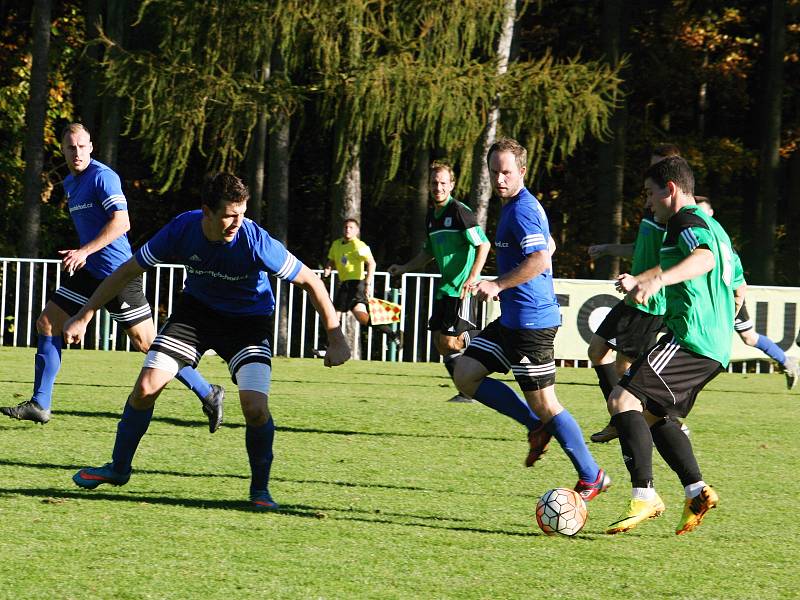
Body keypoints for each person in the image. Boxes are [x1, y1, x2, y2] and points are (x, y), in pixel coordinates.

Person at [64, 173, 351, 510]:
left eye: (242, 213)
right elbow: (128, 271)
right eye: (230, 215)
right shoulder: (182, 229)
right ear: (207, 212)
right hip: (195, 315)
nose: (237, 222)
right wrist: (84, 315)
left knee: (255, 409)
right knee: (146, 388)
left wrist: (336, 337)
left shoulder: (256, 240)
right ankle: (118, 469)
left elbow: (311, 282)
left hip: (248, 322)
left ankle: (260, 492)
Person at [0, 123, 223, 431]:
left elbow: (122, 222)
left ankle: (208, 391)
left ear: (91, 147)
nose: (76, 152)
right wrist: (84, 253)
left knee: (147, 344)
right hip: (90, 270)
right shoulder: (70, 182)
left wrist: (84, 251)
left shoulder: (103, 177)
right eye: (70, 148)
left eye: (81, 146)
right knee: (48, 322)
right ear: (62, 150)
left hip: (118, 274)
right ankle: (41, 403)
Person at [453, 138, 611, 502]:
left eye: (506, 171)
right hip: (512, 319)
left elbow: (540, 258)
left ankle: (592, 474)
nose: (499, 179)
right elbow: (548, 246)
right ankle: (535, 427)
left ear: (522, 171)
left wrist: (497, 283)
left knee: (547, 404)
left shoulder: (523, 208)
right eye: (494, 172)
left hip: (532, 324)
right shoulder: (515, 207)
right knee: (466, 373)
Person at [605, 156, 739, 535]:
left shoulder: (685, 222)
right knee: (656, 415)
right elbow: (726, 279)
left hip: (693, 338)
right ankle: (696, 491)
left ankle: (644, 496)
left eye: (650, 194)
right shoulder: (714, 226)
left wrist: (659, 282)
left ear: (671, 190)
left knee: (622, 400)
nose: (647, 203)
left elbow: (704, 259)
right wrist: (642, 279)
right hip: (712, 344)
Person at [586, 143, 681, 443]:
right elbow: (642, 249)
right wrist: (608, 249)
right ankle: (625, 419)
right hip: (634, 296)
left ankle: (641, 422)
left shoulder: (676, 217)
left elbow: (672, 261)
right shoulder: (652, 205)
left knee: (625, 366)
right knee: (598, 351)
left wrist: (639, 279)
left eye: (659, 165)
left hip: (650, 302)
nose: (651, 170)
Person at [388, 161, 491, 403]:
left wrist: (473, 276)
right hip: (445, 289)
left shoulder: (459, 211)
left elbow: (483, 244)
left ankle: (487, 339)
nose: (438, 187)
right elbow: (427, 253)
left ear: (452, 185)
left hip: (460, 288)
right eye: (434, 183)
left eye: (443, 183)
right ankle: (466, 392)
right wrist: (403, 268)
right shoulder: (432, 217)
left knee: (451, 341)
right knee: (441, 344)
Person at [695, 197, 799, 389]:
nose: (698, 216)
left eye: (702, 211)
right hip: (707, 297)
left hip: (727, 296)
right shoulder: (693, 234)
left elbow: (735, 273)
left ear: (711, 214)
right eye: (695, 212)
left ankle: (787, 361)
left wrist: (736, 298)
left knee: (749, 337)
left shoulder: (719, 238)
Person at [324, 219, 402, 347]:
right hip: (346, 283)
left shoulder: (359, 245)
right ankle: (392, 334)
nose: (347, 230)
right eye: (345, 227)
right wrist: (328, 268)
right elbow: (331, 260)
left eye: (351, 227)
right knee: (362, 317)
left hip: (355, 284)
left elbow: (371, 263)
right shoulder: (336, 244)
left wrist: (367, 283)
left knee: (334, 314)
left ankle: (330, 346)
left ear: (356, 231)